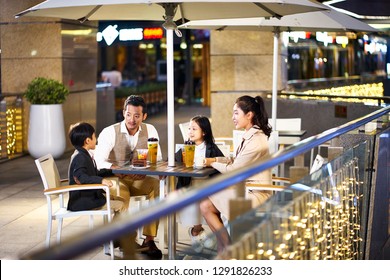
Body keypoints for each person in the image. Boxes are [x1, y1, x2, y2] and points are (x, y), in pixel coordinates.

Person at [201, 95, 273, 253]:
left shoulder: (256, 140)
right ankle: (226, 246)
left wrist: (211, 163)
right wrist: (214, 158)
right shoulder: (250, 135)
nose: (232, 117)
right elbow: (234, 160)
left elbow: (234, 170)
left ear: (249, 115)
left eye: (236, 113)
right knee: (205, 204)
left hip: (255, 194)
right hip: (244, 189)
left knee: (204, 201)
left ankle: (226, 247)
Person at [94, 95, 163, 259]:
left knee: (156, 185)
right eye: (128, 114)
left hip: (138, 177)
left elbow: (158, 158)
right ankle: (125, 238)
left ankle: (149, 239)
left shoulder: (150, 130)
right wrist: (116, 168)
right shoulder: (110, 132)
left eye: (137, 116)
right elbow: (99, 161)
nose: (132, 119)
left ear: (144, 116)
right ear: (123, 113)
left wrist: (146, 170)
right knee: (122, 195)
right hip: (113, 178)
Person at [175, 116, 224, 253]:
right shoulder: (186, 148)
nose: (190, 131)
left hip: (209, 186)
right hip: (190, 186)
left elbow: (222, 163)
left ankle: (206, 234)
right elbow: (172, 161)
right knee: (195, 200)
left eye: (194, 129)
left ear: (204, 132)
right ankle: (197, 231)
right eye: (189, 128)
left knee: (212, 205)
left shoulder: (211, 148)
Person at [67, 122, 124, 213]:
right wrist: (101, 180)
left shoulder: (83, 154)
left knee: (121, 199)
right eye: (94, 137)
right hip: (83, 201)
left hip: (89, 197)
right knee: (121, 204)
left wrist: (112, 171)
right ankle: (114, 227)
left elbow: (93, 173)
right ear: (87, 141)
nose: (96, 139)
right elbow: (80, 177)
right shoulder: (80, 157)